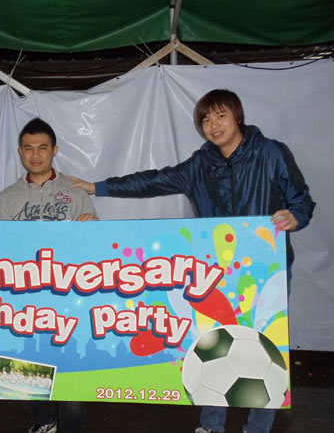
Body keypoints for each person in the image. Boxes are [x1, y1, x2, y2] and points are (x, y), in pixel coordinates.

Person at [69, 89, 315, 433]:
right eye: (206, 119)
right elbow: (153, 181)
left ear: (237, 117)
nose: (213, 125)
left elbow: (301, 200)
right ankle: (212, 424)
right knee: (212, 343)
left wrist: (295, 216)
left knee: (264, 347)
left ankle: (258, 427)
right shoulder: (201, 164)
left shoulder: (271, 153)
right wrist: (97, 188)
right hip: (215, 271)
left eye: (221, 116)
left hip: (266, 269)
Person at [0, 118, 96, 433]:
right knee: (30, 366)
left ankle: (71, 427)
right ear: (20, 152)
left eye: (42, 148)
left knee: (72, 373)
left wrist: (93, 228)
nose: (35, 155)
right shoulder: (7, 197)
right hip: (24, 299)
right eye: (28, 148)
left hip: (70, 298)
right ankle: (45, 421)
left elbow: (94, 247)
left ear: (55, 151)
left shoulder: (75, 192)